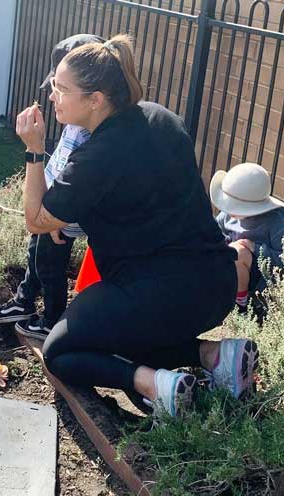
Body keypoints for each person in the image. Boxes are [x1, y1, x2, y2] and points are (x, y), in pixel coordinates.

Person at [15, 34, 259, 416]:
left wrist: (33, 148)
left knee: (60, 351)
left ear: (95, 100)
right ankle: (215, 355)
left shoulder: (98, 155)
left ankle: (158, 385)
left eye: (61, 89)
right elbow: (136, 196)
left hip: (158, 296)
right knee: (118, 330)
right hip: (216, 284)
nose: (51, 95)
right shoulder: (160, 117)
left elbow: (36, 220)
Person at [0, 34, 103, 341]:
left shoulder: (94, 135)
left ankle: (52, 318)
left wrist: (59, 217)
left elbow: (81, 183)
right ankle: (25, 301)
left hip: (61, 217)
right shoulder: (75, 122)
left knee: (51, 268)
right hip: (50, 206)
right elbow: (62, 165)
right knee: (34, 255)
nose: (52, 97)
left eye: (60, 89)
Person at [210, 162, 284, 311]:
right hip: (228, 271)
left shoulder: (276, 222)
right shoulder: (227, 215)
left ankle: (240, 307)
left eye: (234, 205)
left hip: (261, 282)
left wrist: (255, 248)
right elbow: (214, 234)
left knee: (238, 252)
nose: (227, 209)